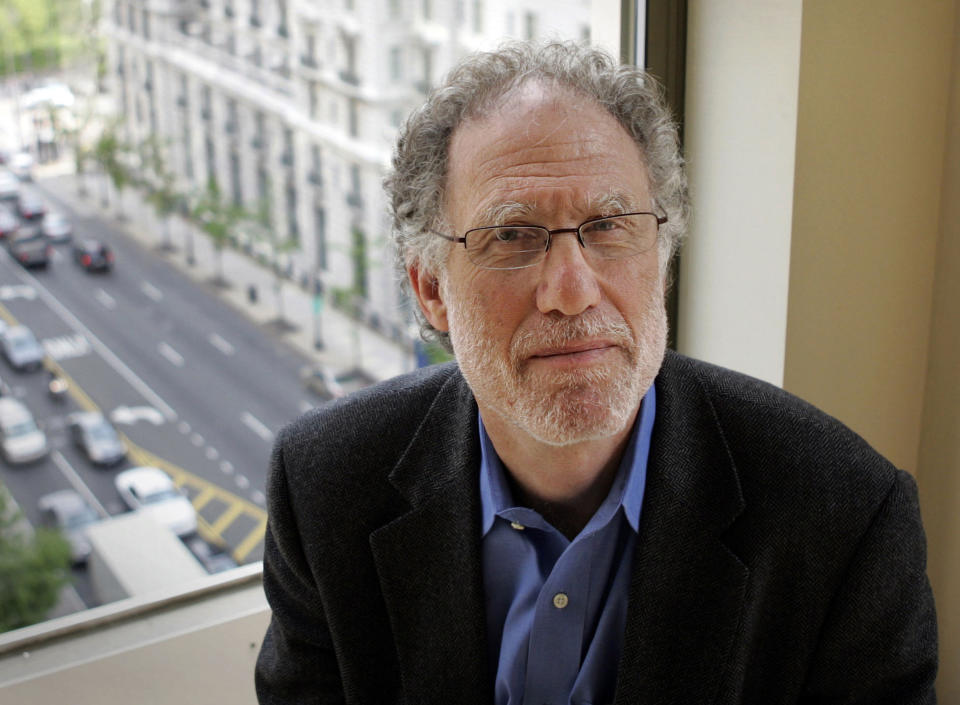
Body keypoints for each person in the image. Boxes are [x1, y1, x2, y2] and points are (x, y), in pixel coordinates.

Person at [255, 41, 937, 704]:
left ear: (662, 262)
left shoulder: (843, 517)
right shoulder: (323, 488)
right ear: (431, 289)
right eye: (513, 235)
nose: (572, 289)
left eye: (609, 225)